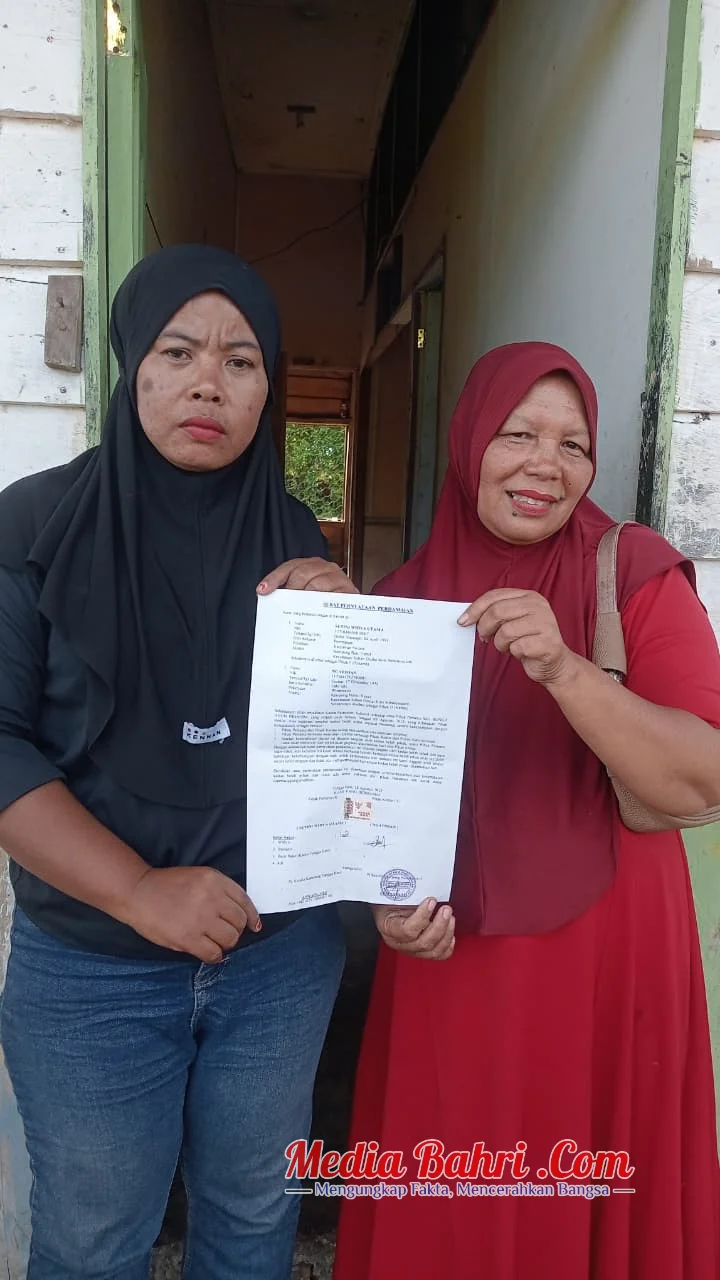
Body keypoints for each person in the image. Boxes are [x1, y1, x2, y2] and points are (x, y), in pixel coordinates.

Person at [0, 244, 358, 1280]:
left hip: (277, 960)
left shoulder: (294, 533)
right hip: (91, 966)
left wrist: (351, 637)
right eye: (179, 351)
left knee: (252, 1223)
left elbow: (334, 749)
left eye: (241, 361)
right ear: (133, 365)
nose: (209, 382)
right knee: (95, 1240)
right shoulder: (33, 523)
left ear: (267, 389)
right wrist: (138, 890)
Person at [333, 342, 720, 1280]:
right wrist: (384, 905)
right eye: (517, 434)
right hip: (449, 961)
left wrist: (563, 668)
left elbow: (700, 781)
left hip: (608, 955)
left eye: (571, 444)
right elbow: (364, 805)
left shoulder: (635, 574)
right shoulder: (400, 602)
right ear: (470, 441)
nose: (545, 464)